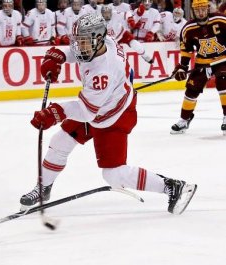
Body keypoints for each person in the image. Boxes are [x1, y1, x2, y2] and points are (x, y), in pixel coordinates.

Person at [19, 13, 197, 215]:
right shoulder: (105, 42)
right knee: (61, 141)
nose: (78, 46)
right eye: (78, 41)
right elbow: (76, 54)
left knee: (114, 174)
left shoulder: (102, 72)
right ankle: (44, 188)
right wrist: (59, 55)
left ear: (97, 39)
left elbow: (86, 113)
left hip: (114, 116)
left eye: (83, 42)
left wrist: (56, 112)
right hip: (103, 104)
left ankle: (173, 186)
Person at [171, 0, 226, 134]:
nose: (201, 13)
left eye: (203, 9)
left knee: (224, 82)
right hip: (203, 61)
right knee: (191, 89)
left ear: (208, 9)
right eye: (197, 10)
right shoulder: (188, 28)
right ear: (193, 11)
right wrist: (182, 67)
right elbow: (187, 50)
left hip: (223, 59)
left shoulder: (221, 20)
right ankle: (185, 119)